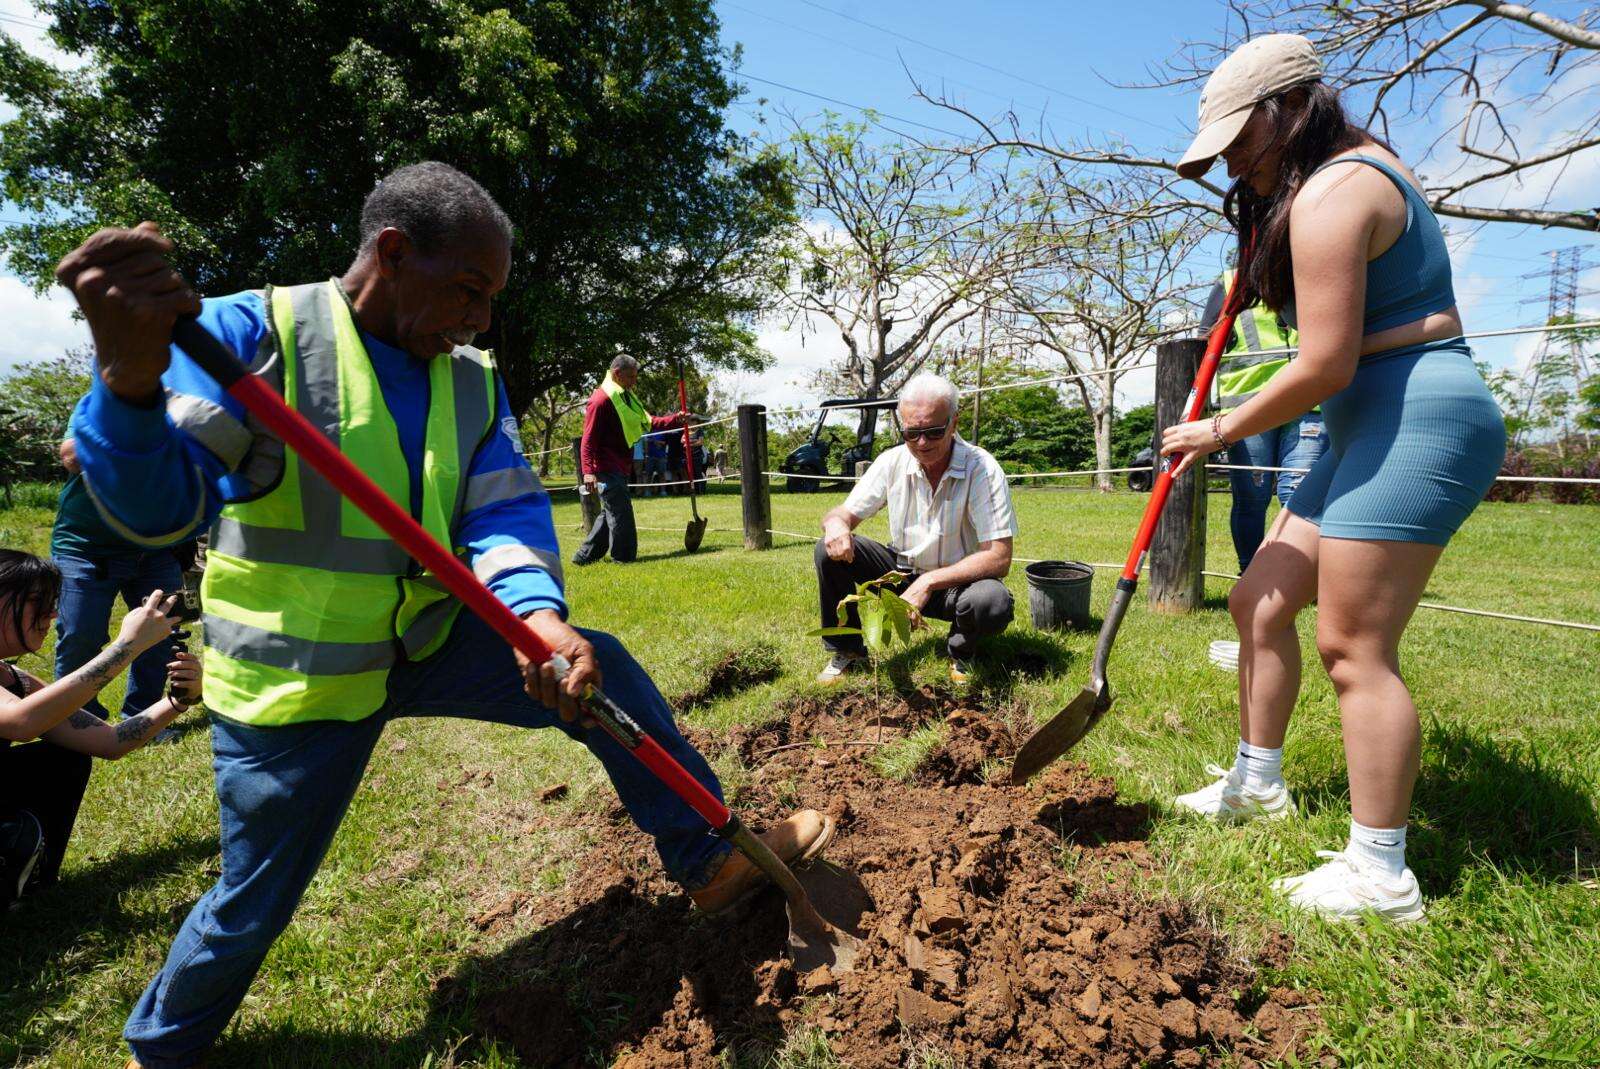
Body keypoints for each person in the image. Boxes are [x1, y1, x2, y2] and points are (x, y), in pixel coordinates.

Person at [53, 161, 831, 1068]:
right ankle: (162, 1045)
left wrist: (538, 617)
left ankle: (708, 856)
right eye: (469, 288)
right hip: (294, 688)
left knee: (598, 662)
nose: (482, 318)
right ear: (392, 252)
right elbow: (155, 511)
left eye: (490, 296)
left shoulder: (467, 381)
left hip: (423, 641)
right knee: (254, 897)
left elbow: (499, 512)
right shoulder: (247, 338)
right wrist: (127, 382)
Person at [1161, 35, 1506, 922]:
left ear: (1291, 110)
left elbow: (1323, 364)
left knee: (1354, 648)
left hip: (1414, 415)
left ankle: (1381, 873)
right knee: (1259, 603)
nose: (1236, 162)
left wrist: (1218, 427)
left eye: (1241, 141)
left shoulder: (1337, 191)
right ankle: (1258, 783)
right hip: (1363, 421)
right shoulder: (1330, 182)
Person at [0, 550, 199, 902]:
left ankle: (33, 884)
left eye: (52, 602)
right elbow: (21, 722)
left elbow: (111, 741)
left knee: (64, 760)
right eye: (37, 602)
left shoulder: (15, 682)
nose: (51, 614)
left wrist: (178, 702)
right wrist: (127, 647)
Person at [814, 372, 1017, 685]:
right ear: (902, 426)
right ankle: (848, 649)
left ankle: (961, 652)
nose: (922, 443)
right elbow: (840, 513)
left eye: (934, 432)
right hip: (900, 572)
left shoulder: (982, 468)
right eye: (912, 433)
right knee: (826, 551)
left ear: (954, 423)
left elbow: (999, 557)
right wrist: (837, 526)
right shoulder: (891, 461)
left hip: (957, 585)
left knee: (992, 601)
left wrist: (929, 583)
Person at [51, 437, 196, 731]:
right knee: (80, 633)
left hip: (156, 548)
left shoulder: (191, 406)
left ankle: (141, 717)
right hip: (85, 547)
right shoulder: (103, 406)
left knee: (161, 633)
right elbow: (70, 456)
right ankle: (75, 721)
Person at [1202, 269, 1329, 572]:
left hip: (1309, 401)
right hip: (1247, 409)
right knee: (1251, 498)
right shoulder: (1231, 281)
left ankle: (1295, 577)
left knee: (1300, 494)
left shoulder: (1316, 269)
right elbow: (1205, 339)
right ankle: (1250, 572)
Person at [573, 354, 688, 563]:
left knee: (610, 513)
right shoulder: (600, 400)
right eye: (631, 377)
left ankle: (583, 557)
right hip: (606, 466)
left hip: (620, 465)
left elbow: (650, 422)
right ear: (617, 374)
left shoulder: (627, 397)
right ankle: (623, 559)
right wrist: (588, 472)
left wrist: (675, 419)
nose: (634, 381)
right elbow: (587, 440)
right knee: (621, 513)